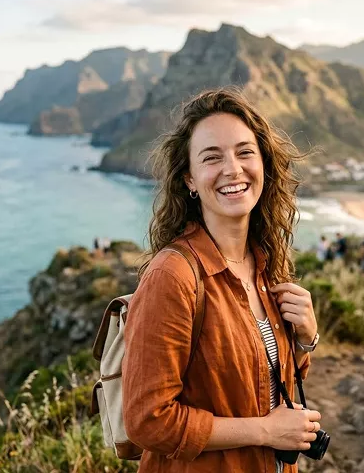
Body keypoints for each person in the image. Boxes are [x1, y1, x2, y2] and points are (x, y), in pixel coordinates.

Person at [122, 88, 322, 473]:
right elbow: (148, 421)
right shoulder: (173, 275)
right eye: (212, 158)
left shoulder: (265, 265)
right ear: (190, 181)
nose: (232, 169)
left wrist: (304, 339)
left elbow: (264, 379)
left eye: (245, 152)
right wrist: (265, 431)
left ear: (263, 163)